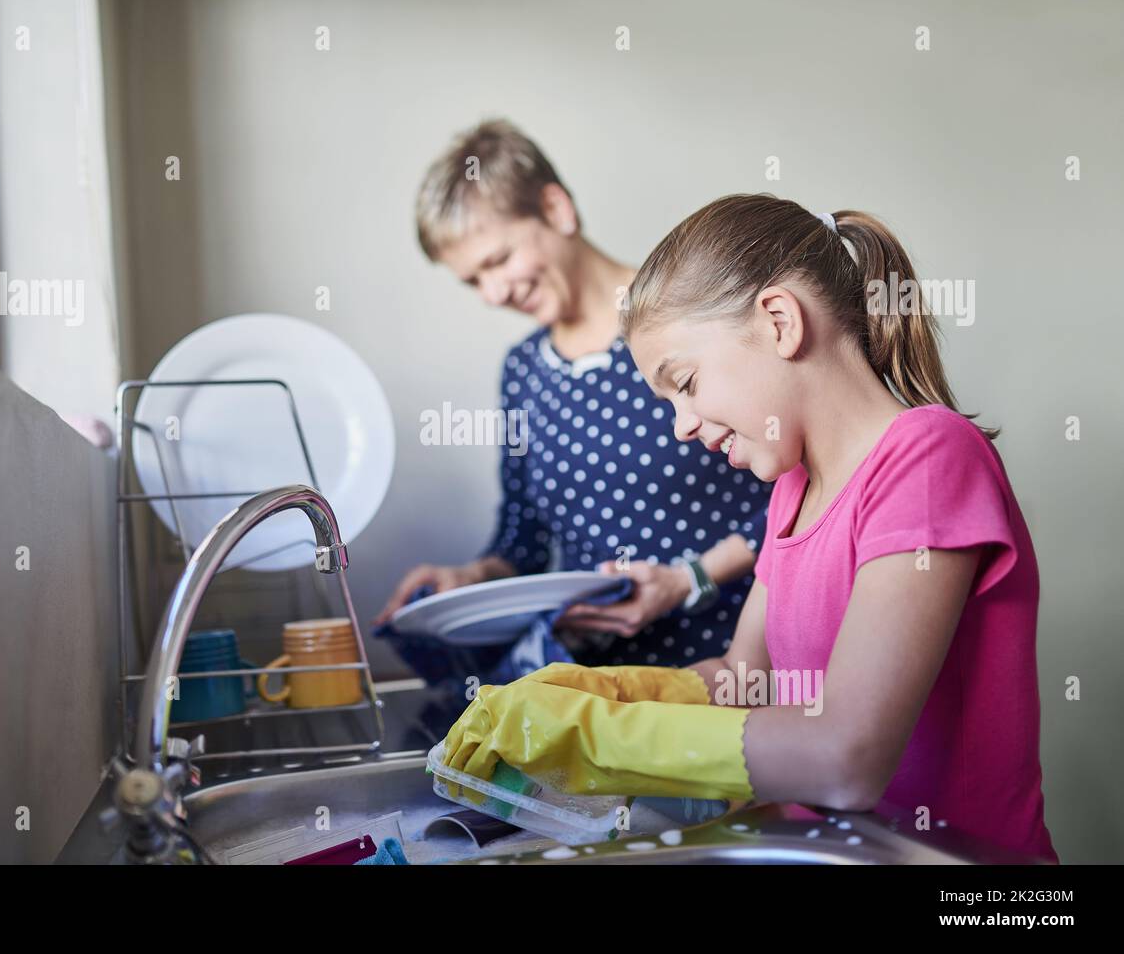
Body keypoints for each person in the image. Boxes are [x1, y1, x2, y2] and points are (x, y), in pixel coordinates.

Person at [440, 194, 1057, 861]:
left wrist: (594, 734)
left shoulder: (930, 457)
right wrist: (590, 689)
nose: (681, 425)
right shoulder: (792, 487)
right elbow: (741, 679)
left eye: (686, 382)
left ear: (780, 321)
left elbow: (846, 756)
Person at [375, 121, 771, 672]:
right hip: (601, 687)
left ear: (557, 209)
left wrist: (689, 580)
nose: (492, 294)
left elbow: (806, 487)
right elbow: (524, 540)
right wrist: (469, 578)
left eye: (497, 261)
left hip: (734, 663)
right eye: (472, 281)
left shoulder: (687, 317)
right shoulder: (522, 371)